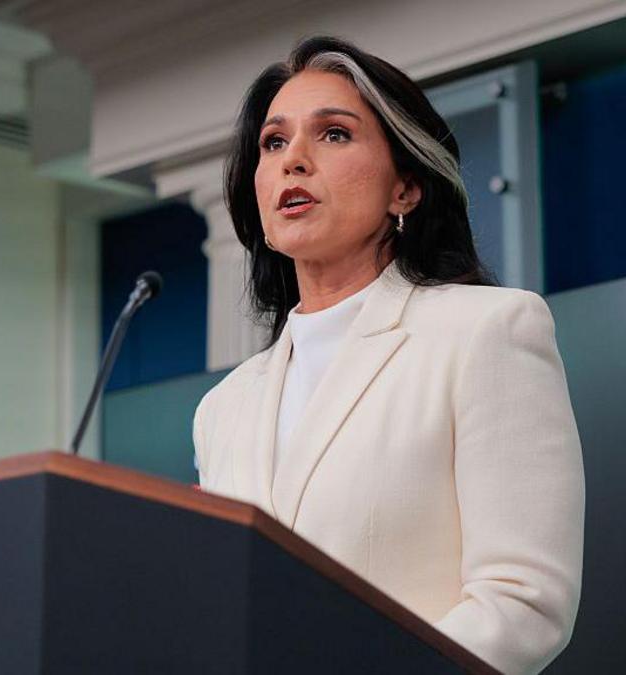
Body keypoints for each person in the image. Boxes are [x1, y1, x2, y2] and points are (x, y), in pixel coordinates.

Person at [192, 35, 585, 675]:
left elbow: (523, 603)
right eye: (274, 142)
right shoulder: (223, 409)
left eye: (334, 134)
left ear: (406, 187)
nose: (294, 161)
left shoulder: (488, 331)